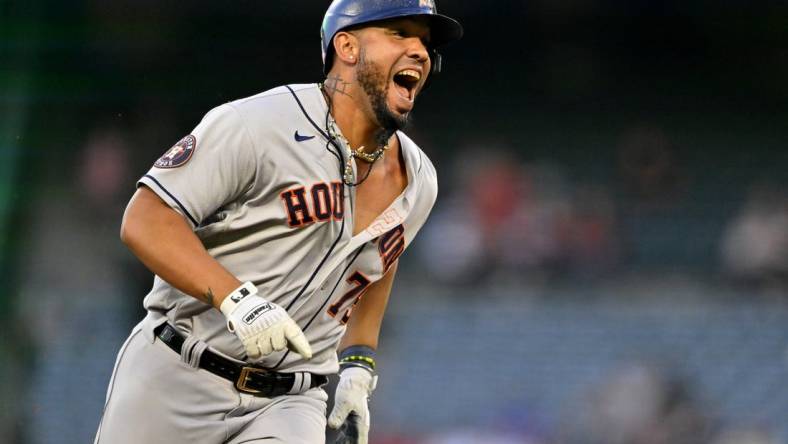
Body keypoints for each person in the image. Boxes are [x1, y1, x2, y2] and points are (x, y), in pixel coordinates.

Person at [93, 1, 462, 443]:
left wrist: (358, 367)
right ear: (346, 45)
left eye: (425, 42)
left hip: (289, 400)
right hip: (178, 369)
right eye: (400, 33)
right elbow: (145, 219)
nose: (420, 51)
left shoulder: (418, 179)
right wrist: (237, 300)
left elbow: (379, 259)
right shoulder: (257, 125)